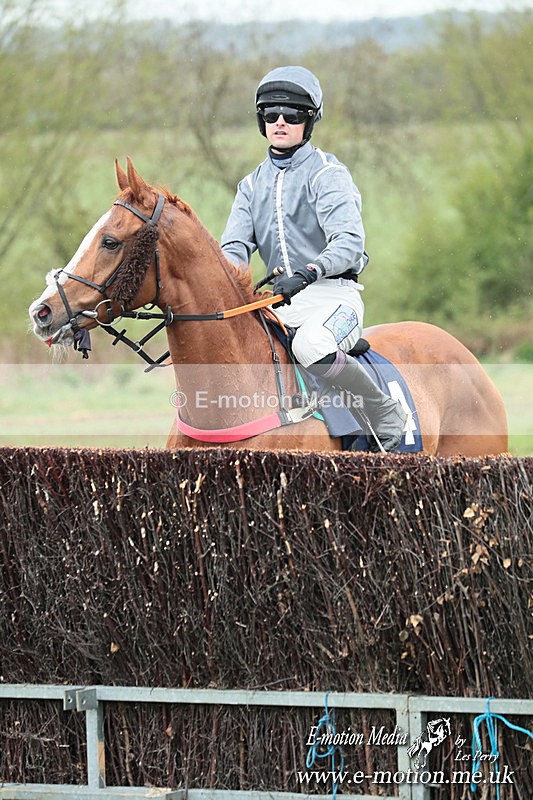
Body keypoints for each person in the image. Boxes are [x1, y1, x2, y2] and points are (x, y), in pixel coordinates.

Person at [221, 65, 407, 452]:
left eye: (292, 115)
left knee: (310, 345)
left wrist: (309, 272)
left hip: (334, 297)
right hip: (279, 302)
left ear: (309, 121)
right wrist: (223, 286)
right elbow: (234, 248)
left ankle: (383, 411)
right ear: (261, 121)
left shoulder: (328, 174)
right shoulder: (250, 185)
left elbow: (349, 242)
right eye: (271, 114)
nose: (281, 122)